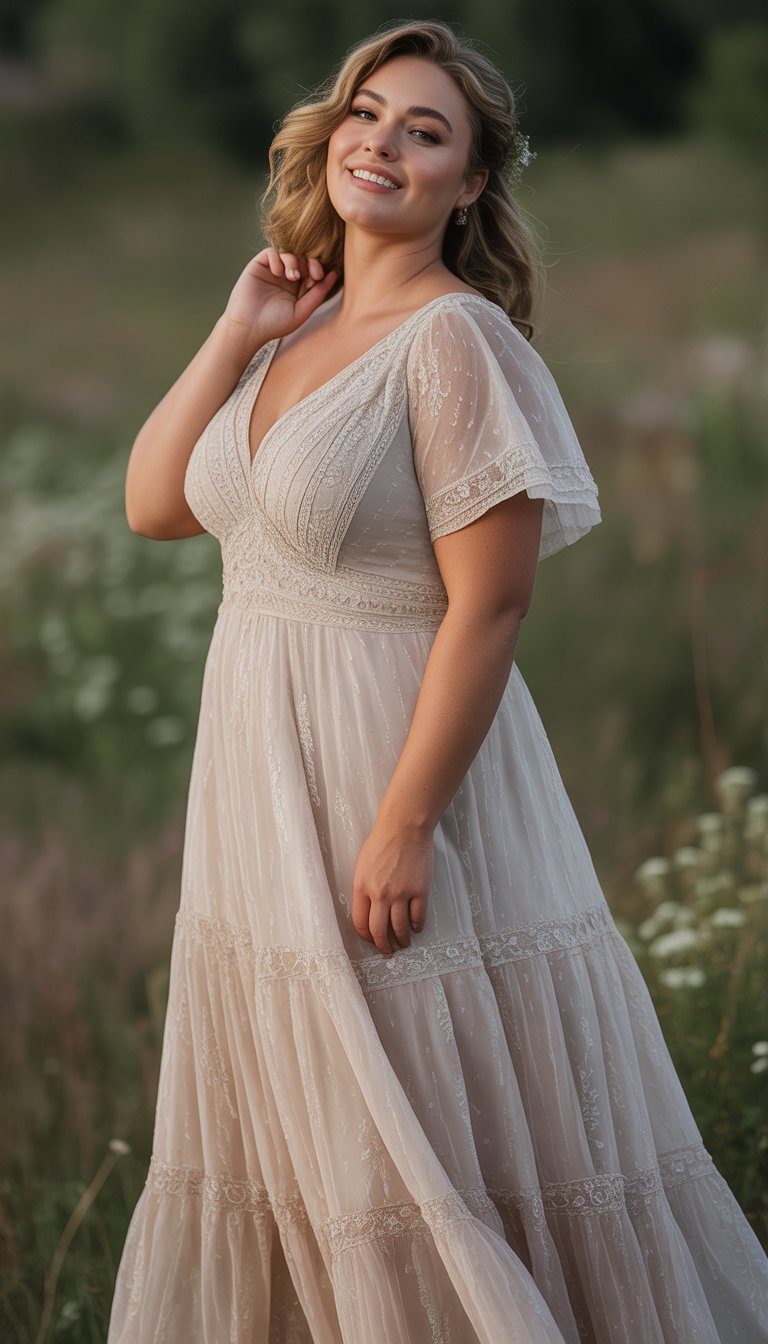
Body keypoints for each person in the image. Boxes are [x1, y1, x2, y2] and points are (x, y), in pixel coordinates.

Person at [108, 18, 768, 1344]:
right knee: (307, 1113)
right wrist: (238, 328)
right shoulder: (300, 326)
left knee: (416, 1105)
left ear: (471, 182)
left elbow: (494, 603)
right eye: (367, 112)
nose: (383, 144)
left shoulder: (454, 342)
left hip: (384, 759)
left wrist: (406, 819)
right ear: (332, 132)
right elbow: (153, 506)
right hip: (258, 758)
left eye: (426, 132)